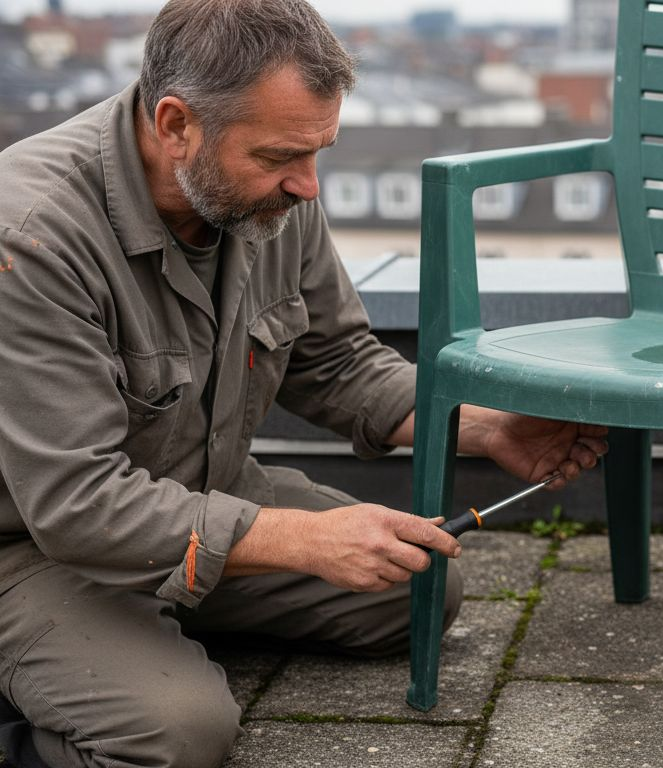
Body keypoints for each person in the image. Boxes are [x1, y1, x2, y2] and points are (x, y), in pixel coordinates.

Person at [0, 1, 607, 766]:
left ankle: (149, 623)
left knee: (419, 590)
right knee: (179, 734)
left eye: (320, 150)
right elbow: (76, 504)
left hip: (195, 494)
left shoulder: (265, 194)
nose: (309, 187)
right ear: (177, 123)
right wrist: (303, 539)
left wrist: (485, 430)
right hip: (34, 549)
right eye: (283, 156)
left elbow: (339, 362)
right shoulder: (32, 235)